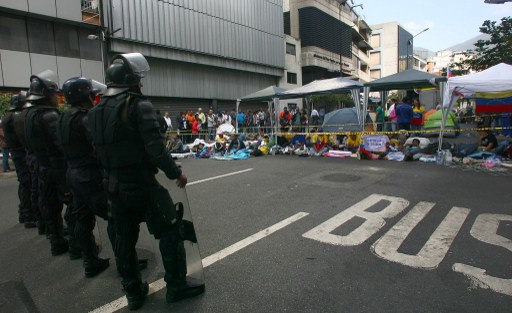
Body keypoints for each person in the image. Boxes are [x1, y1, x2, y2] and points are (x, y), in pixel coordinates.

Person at [87, 53, 204, 309]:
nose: (141, 84)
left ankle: (133, 292)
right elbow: (157, 151)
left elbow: (95, 151)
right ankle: (176, 286)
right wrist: (177, 174)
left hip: (113, 186)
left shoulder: (94, 111)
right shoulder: (138, 106)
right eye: (138, 79)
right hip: (142, 184)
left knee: (124, 238)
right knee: (170, 228)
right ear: (132, 81)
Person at [57, 77, 110, 277]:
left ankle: (89, 260)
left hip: (72, 173)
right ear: (85, 95)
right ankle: (126, 261)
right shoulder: (85, 118)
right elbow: (98, 145)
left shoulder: (63, 117)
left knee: (82, 218)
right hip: (89, 174)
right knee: (114, 216)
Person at [22, 70, 71, 256]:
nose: (57, 99)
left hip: (40, 165)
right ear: (47, 96)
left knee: (48, 204)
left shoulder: (28, 114)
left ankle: (56, 238)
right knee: (72, 204)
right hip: (56, 167)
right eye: (54, 95)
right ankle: (77, 244)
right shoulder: (49, 116)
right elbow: (62, 144)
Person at [1, 92, 36, 228]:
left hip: (17, 153)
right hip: (21, 153)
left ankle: (25, 211)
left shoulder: (7, 117)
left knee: (24, 182)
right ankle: (27, 212)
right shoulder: (15, 117)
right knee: (27, 182)